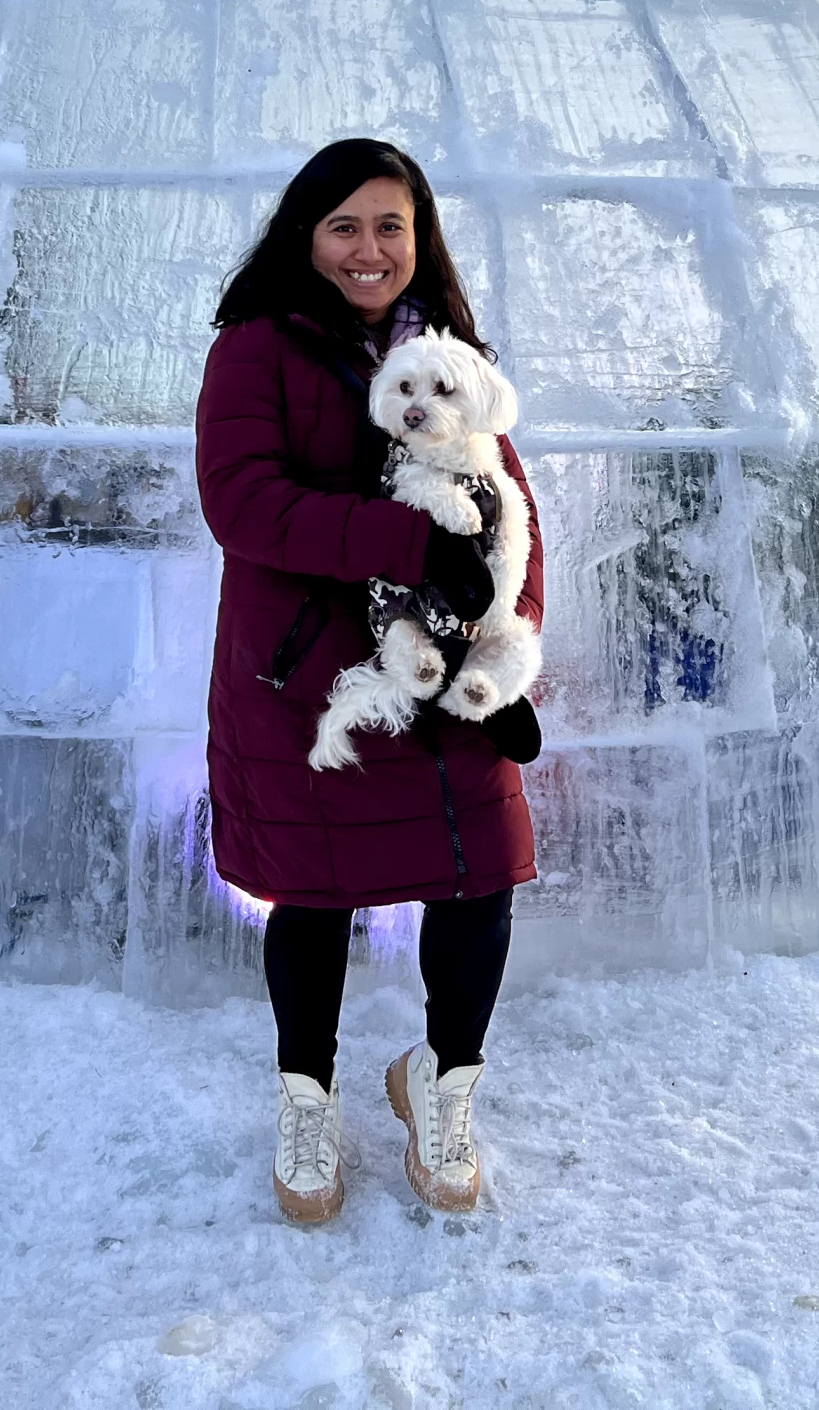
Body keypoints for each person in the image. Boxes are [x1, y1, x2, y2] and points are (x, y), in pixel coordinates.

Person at [195, 138, 545, 1226]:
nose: (368, 248)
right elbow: (242, 504)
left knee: (476, 873)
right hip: (312, 669)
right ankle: (307, 1097)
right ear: (305, 233)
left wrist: (503, 641)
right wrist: (403, 539)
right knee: (313, 888)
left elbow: (510, 517)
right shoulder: (255, 350)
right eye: (343, 225)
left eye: (390, 226)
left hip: (446, 678)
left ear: (418, 237)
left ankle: (441, 1085)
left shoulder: (452, 355)